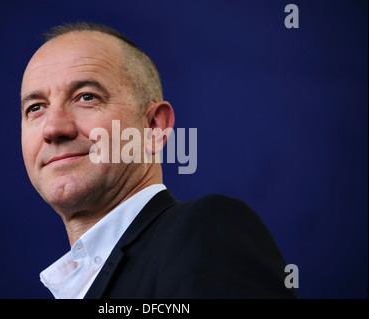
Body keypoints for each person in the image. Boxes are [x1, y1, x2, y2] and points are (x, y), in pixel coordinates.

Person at [20, 21, 298, 299]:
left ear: (153, 127)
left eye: (87, 97)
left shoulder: (205, 234)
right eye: (35, 108)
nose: (53, 128)